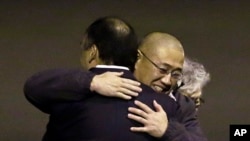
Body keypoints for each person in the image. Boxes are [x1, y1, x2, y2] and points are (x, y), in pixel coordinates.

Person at [24, 17, 181, 141]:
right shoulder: (166, 106)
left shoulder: (66, 97)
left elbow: (33, 87)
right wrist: (93, 82)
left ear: (92, 52)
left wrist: (89, 82)